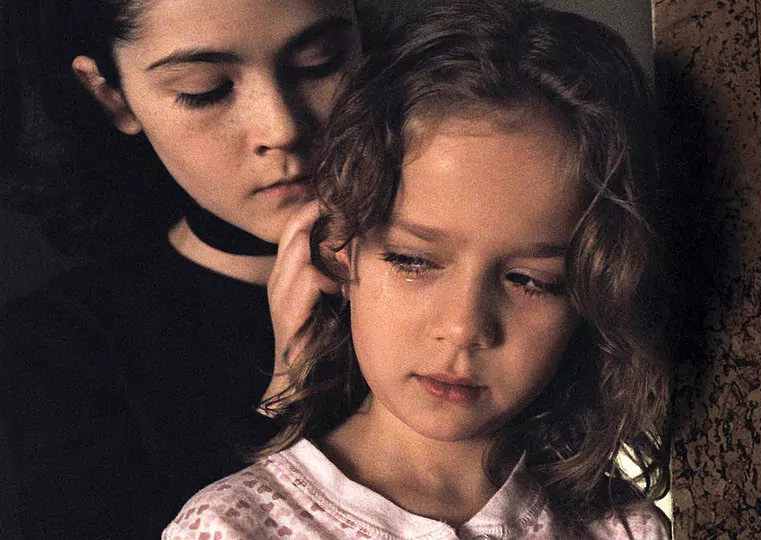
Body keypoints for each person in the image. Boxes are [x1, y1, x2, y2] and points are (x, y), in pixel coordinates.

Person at [163, 0, 672, 537]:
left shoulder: (625, 531)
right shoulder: (233, 526)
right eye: (413, 260)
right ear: (340, 249)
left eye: (531, 281)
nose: (463, 327)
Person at [0, 0, 386, 536]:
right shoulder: (55, 357)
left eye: (319, 62)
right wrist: (290, 403)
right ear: (110, 95)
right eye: (205, 90)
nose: (281, 128)